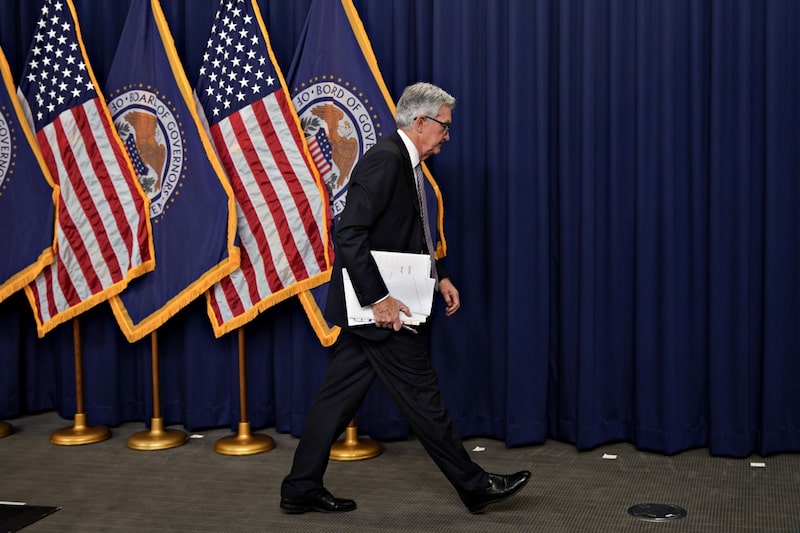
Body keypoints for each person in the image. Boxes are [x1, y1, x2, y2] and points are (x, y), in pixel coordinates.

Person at [280, 82, 531, 514]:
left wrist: (440, 277)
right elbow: (349, 233)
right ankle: (473, 485)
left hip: (380, 304)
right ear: (420, 122)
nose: (447, 136)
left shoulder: (409, 163)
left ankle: (300, 487)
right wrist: (378, 299)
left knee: (336, 400)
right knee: (424, 397)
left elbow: (411, 234)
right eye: (444, 126)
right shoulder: (385, 161)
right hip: (382, 309)